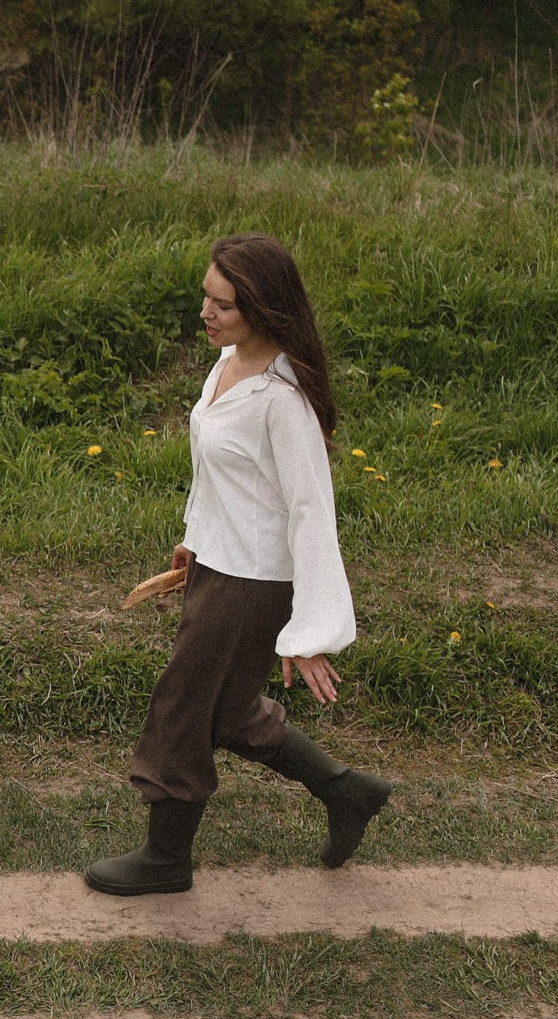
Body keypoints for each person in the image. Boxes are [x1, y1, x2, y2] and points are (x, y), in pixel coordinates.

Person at [85, 233, 393, 896]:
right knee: (224, 715)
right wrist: (195, 536)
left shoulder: (283, 401)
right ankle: (348, 793)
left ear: (262, 308)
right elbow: (219, 473)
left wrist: (310, 632)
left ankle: (167, 861)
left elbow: (312, 514)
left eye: (223, 304)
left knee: (181, 707)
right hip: (217, 563)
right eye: (206, 296)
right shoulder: (227, 363)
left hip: (254, 581)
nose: (207, 312)